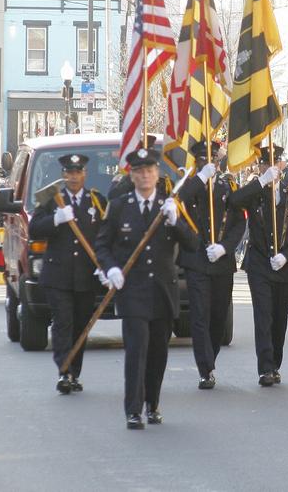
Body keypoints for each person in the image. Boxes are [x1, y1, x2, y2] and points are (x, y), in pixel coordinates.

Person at [93, 146, 199, 429]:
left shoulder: (169, 206)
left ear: (157, 174)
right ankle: (133, 409)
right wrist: (111, 268)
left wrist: (176, 221)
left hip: (163, 291)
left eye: (150, 171)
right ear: (132, 175)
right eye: (139, 172)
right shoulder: (119, 207)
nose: (145, 176)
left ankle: (153, 404)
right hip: (133, 292)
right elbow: (102, 245)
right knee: (136, 351)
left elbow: (192, 243)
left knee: (157, 354)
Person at [228, 144, 288, 388]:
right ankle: (265, 368)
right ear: (260, 166)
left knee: (279, 317)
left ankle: (275, 363)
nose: (271, 168)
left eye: (275, 164)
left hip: (284, 266)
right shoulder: (255, 193)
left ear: (282, 166)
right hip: (259, 264)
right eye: (266, 164)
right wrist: (261, 181)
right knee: (263, 315)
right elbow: (234, 201)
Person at [29, 154, 108, 394]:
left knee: (81, 325)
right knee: (63, 322)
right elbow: (34, 229)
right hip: (58, 275)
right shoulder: (53, 200)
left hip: (86, 275)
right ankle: (64, 371)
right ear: (63, 175)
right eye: (69, 173)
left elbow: (106, 235)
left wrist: (104, 264)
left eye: (78, 172)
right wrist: (55, 219)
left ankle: (74, 371)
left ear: (84, 174)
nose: (73, 177)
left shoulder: (97, 201)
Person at [176, 141, 246, 390]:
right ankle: (205, 369)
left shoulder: (228, 186)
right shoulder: (188, 186)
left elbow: (239, 222)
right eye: (204, 161)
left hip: (221, 262)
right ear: (197, 163)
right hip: (196, 259)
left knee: (218, 316)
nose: (210, 165)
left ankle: (210, 357)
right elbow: (179, 200)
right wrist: (200, 178)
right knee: (199, 316)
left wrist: (226, 247)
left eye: (213, 161)